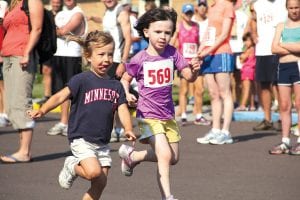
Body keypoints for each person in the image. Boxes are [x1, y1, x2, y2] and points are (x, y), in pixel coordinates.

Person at [27, 30, 136, 199]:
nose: (106, 59)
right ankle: (71, 165)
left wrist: (128, 129)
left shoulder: (116, 85)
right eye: (101, 54)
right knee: (93, 172)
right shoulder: (82, 80)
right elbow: (60, 96)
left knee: (100, 183)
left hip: (102, 143)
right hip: (82, 138)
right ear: (88, 56)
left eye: (109, 54)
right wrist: (42, 109)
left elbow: (122, 109)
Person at [119, 8, 201, 200]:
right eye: (158, 32)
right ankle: (167, 196)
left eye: (167, 33)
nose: (163, 36)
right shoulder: (139, 58)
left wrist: (195, 70)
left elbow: (188, 76)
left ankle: (133, 157)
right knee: (163, 155)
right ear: (146, 32)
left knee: (173, 158)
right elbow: (124, 79)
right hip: (147, 115)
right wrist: (126, 94)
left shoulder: (173, 53)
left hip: (167, 115)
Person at [0, 0, 43, 163]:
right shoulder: (13, 4)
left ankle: (25, 151)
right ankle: (21, 149)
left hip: (22, 56)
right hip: (8, 57)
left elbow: (37, 28)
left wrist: (27, 52)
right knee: (11, 105)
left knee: (22, 102)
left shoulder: (32, 1)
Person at [196, 0, 236, 145]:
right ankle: (215, 129)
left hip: (221, 53)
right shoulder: (212, 7)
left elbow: (224, 34)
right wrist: (200, 49)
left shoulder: (227, 5)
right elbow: (209, 31)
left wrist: (208, 50)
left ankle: (226, 132)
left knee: (225, 93)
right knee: (213, 94)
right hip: (208, 54)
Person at [47, 0, 87, 136]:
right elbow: (58, 31)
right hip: (58, 54)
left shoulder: (78, 13)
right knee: (61, 90)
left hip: (72, 56)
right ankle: (64, 122)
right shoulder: (61, 13)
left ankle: (72, 123)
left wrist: (51, 29)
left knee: (72, 91)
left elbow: (63, 30)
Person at [269, 0, 300, 155]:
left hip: (298, 66)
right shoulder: (281, 26)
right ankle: (285, 142)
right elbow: (273, 47)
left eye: (297, 7)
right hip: (284, 68)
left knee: (299, 104)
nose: (294, 10)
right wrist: (292, 47)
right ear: (286, 8)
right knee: (284, 105)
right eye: (291, 8)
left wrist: (284, 44)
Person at [171, 4, 210, 126]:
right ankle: (183, 115)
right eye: (187, 13)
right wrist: (176, 34)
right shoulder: (179, 26)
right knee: (184, 90)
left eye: (190, 13)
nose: (189, 15)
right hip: (183, 63)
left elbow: (198, 43)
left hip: (195, 61)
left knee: (200, 89)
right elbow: (172, 44)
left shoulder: (196, 26)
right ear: (182, 14)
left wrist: (200, 55)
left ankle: (198, 115)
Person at [251, 0, 287, 131]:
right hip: (262, 50)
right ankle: (267, 119)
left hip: (279, 49)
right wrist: (254, 33)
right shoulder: (257, 4)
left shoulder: (284, 2)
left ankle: (283, 119)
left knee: (280, 85)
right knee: (264, 84)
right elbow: (253, 20)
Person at [102, 0, 132, 142]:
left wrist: (123, 62)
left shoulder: (122, 12)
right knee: (110, 96)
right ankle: (114, 128)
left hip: (118, 60)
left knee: (117, 97)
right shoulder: (107, 12)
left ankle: (119, 129)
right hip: (108, 60)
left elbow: (128, 39)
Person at [37, 0, 63, 105]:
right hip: (50, 46)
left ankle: (59, 95)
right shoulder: (46, 13)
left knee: (59, 73)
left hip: (62, 48)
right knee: (46, 70)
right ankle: (47, 96)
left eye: (58, 2)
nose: (56, 4)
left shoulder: (64, 13)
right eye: (54, 2)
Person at [235, 32, 256, 111]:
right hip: (249, 69)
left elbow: (242, 58)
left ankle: (243, 105)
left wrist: (241, 56)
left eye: (248, 41)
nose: (246, 43)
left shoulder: (250, 49)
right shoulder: (251, 49)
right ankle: (252, 105)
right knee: (251, 88)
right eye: (244, 41)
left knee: (246, 88)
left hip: (247, 69)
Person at [0, 0, 9, 127]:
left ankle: (6, 113)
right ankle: (1, 113)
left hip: (3, 51)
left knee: (4, 86)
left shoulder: (3, 4)